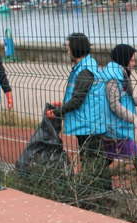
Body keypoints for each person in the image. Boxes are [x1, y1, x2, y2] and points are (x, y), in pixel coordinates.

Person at [46, 33, 110, 190]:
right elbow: (80, 97)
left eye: (68, 49)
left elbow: (77, 100)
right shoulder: (84, 69)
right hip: (87, 123)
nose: (67, 52)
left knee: (93, 160)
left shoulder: (85, 72)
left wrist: (57, 112)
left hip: (89, 125)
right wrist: (62, 104)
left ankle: (100, 191)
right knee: (91, 159)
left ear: (75, 49)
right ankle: (98, 190)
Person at [102, 44, 137, 163]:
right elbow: (114, 105)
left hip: (119, 129)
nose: (134, 64)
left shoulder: (120, 74)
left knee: (104, 161)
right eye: (132, 60)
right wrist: (134, 119)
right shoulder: (112, 78)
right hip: (115, 131)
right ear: (124, 59)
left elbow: (127, 98)